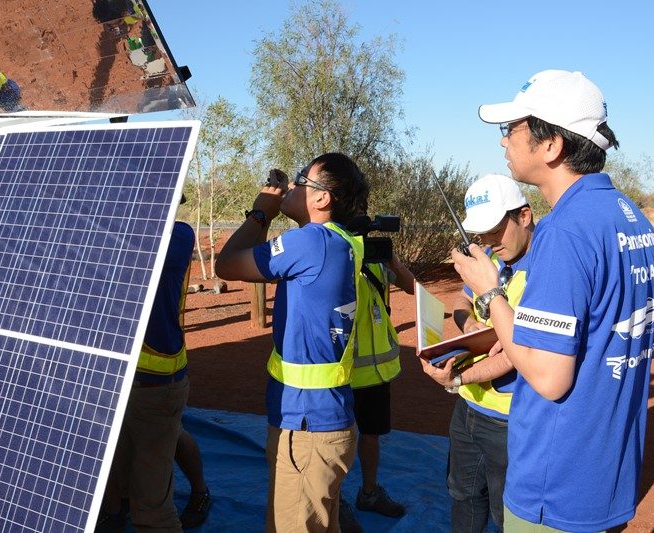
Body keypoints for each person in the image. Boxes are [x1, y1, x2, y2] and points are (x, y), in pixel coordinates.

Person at [452, 70, 654, 532]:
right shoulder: (633, 219)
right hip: (608, 476)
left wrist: (491, 292)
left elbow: (549, 379)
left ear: (551, 145)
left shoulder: (564, 230)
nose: (503, 143)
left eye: (510, 130)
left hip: (556, 485)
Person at [215, 153, 370, 532]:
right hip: (325, 419)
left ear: (322, 199)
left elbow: (227, 264)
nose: (294, 184)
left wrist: (260, 212)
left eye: (303, 179)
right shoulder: (341, 242)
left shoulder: (311, 241)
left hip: (306, 425)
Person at [421, 173, 534, 532]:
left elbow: (515, 354)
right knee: (463, 494)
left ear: (525, 216)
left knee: (507, 512)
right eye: (481, 233)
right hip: (468, 407)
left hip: (510, 419)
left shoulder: (547, 271)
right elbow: (461, 298)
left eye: (495, 230)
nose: (489, 242)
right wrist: (470, 325)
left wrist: (456, 378)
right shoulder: (487, 256)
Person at [98, 216, 195, 532]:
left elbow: (126, 251)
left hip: (154, 384)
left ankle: (201, 491)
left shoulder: (176, 236)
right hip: (111, 383)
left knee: (151, 507)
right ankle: (113, 513)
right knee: (110, 474)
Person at [339, 229, 415, 531]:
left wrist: (394, 262)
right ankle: (334, 501)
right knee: (337, 441)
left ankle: (369, 493)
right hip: (341, 371)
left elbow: (412, 287)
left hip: (376, 371)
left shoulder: (377, 261)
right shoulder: (335, 256)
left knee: (370, 434)